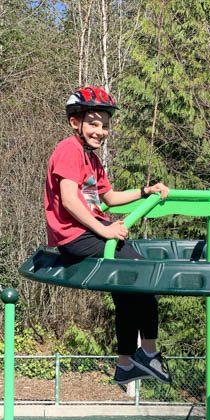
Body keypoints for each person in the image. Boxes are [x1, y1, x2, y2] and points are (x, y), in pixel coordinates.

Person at [44, 85, 171, 386]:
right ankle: (149, 353)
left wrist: (146, 191)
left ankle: (125, 363)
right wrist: (105, 229)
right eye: (93, 123)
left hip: (89, 233)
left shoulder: (92, 160)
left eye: (105, 126)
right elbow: (69, 200)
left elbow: (110, 198)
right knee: (145, 273)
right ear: (75, 122)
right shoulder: (69, 150)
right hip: (77, 236)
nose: (100, 131)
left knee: (127, 291)